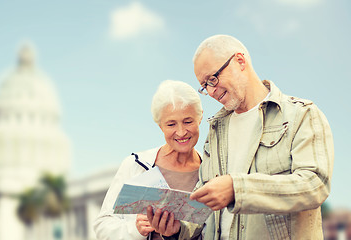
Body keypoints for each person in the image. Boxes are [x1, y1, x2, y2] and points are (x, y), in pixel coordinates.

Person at [147, 35, 334, 239]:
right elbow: (204, 208)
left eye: (213, 79)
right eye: (204, 86)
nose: (210, 91)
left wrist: (238, 189)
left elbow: (315, 185)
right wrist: (177, 229)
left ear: (240, 61)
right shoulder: (216, 130)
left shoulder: (301, 115)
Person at [93, 80, 203, 240]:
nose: (181, 132)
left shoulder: (211, 170)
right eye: (171, 124)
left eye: (188, 121)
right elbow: (102, 226)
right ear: (160, 126)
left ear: (200, 118)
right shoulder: (135, 165)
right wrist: (136, 229)